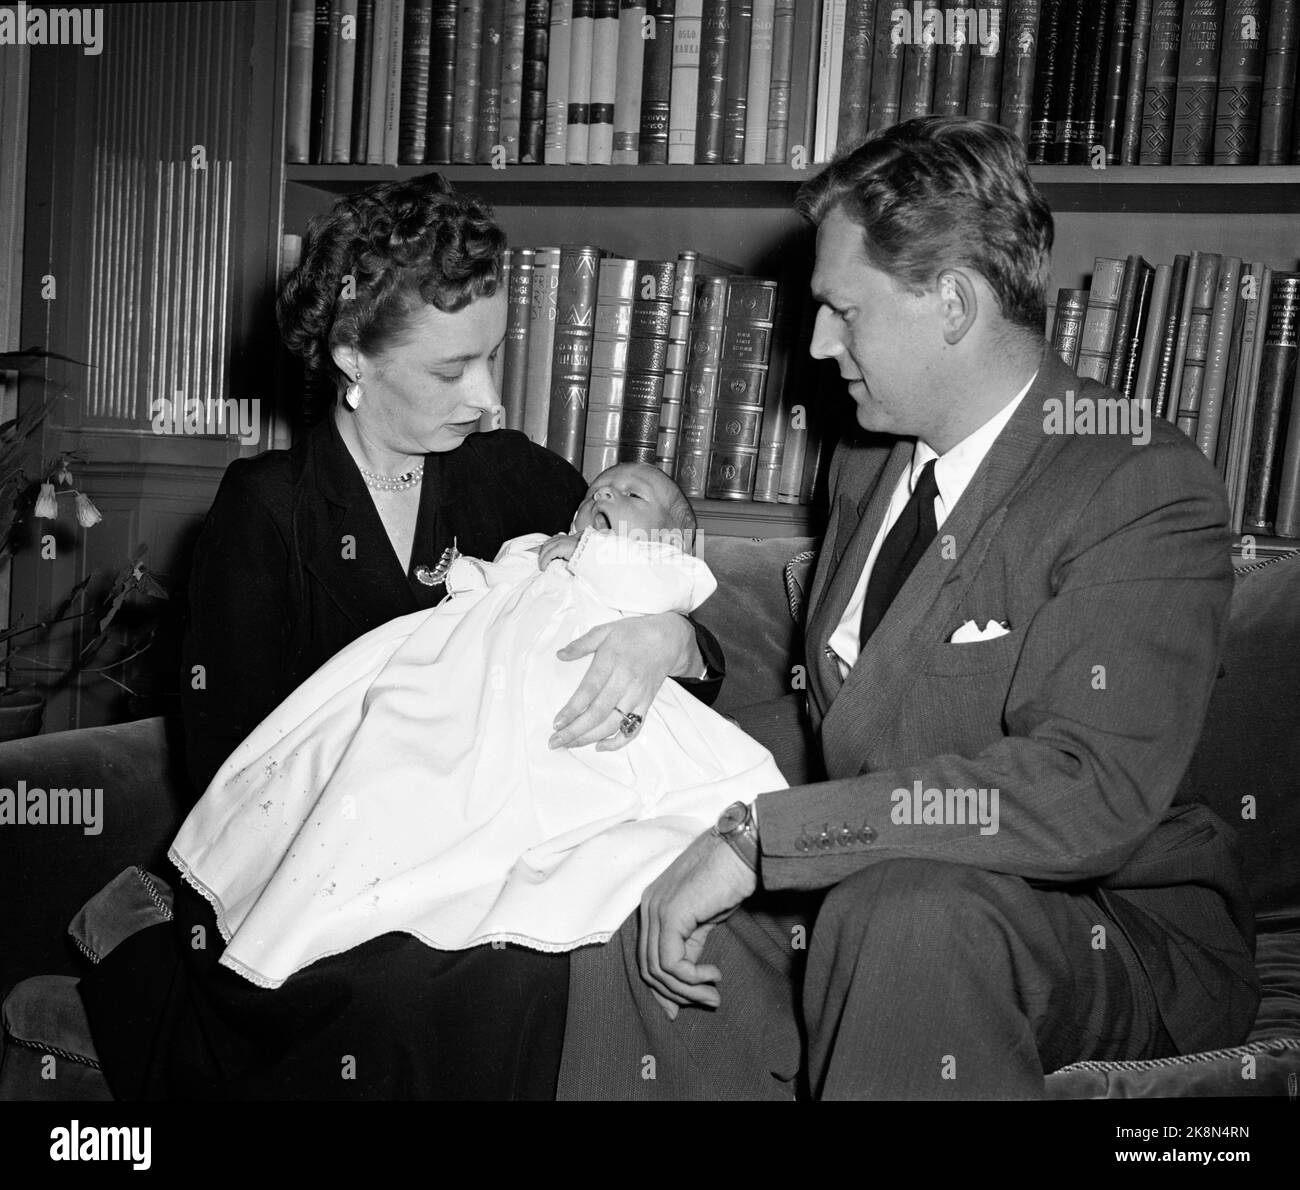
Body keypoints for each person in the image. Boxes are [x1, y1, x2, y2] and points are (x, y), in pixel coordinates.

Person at [557, 116, 1260, 1100]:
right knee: (622, 892)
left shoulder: (1136, 479)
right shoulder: (864, 463)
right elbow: (833, 723)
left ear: (953, 303)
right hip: (874, 871)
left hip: (1099, 916)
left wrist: (767, 835)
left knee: (906, 913)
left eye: (843, 308)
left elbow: (1087, 790)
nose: (815, 341)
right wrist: (643, 765)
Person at [78, 174, 724, 1100]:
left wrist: (671, 637)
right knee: (438, 985)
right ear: (351, 355)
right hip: (322, 873)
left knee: (531, 961)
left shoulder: (519, 479)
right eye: (452, 370)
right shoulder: (267, 514)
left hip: (497, 852)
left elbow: (648, 608)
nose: (492, 398)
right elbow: (239, 768)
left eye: (494, 356)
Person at [171, 462, 785, 989]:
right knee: (368, 779)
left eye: (631, 497)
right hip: (465, 691)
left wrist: (666, 629)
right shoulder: (269, 498)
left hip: (567, 697)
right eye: (599, 488)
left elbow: (674, 591)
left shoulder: (637, 557)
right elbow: (486, 581)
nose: (604, 496)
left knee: (559, 795)